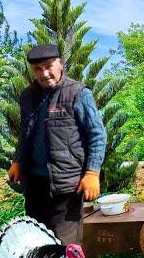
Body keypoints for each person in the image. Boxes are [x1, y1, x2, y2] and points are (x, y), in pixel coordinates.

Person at [6, 44, 107, 245]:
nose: (44, 73)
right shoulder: (29, 95)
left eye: (48, 65)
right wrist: (17, 161)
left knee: (65, 248)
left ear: (60, 63)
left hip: (66, 187)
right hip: (34, 186)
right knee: (37, 244)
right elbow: (26, 133)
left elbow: (97, 134)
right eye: (37, 69)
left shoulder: (77, 93)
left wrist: (92, 173)